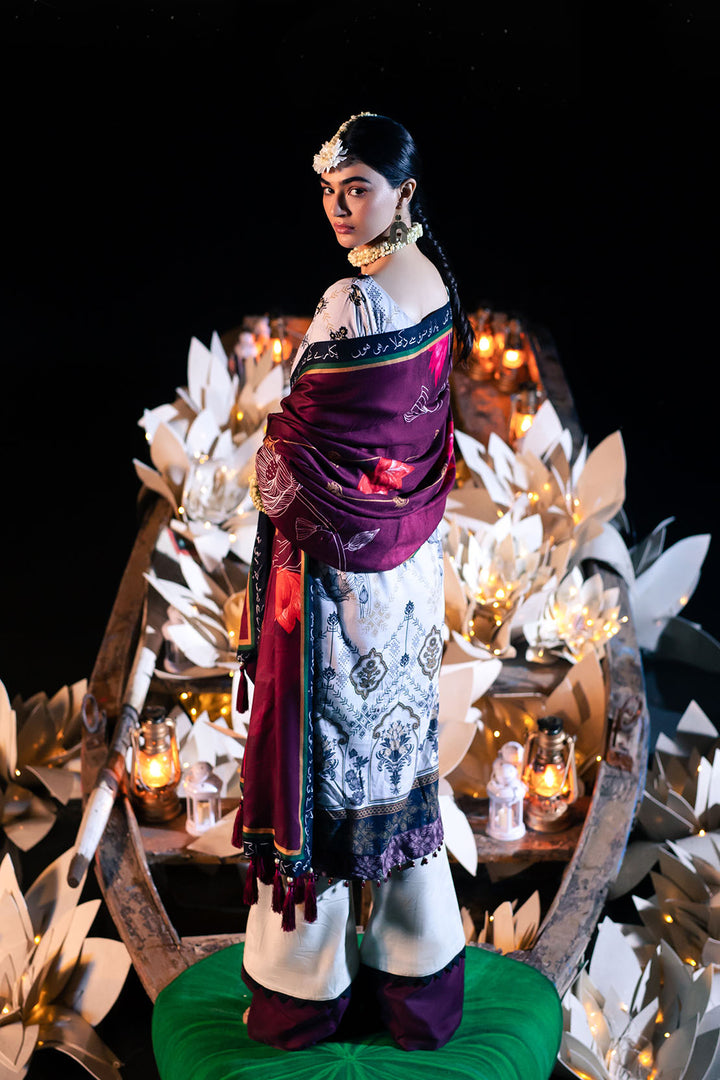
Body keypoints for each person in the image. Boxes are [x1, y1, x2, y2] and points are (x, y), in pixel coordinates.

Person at [232, 112, 475, 1053]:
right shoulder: (438, 286)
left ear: (403, 191)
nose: (339, 208)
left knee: (327, 788)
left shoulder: (353, 303)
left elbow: (292, 458)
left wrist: (271, 461)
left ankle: (303, 998)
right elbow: (411, 439)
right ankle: (420, 990)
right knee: (403, 769)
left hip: (341, 592)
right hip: (410, 574)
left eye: (358, 188)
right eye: (330, 191)